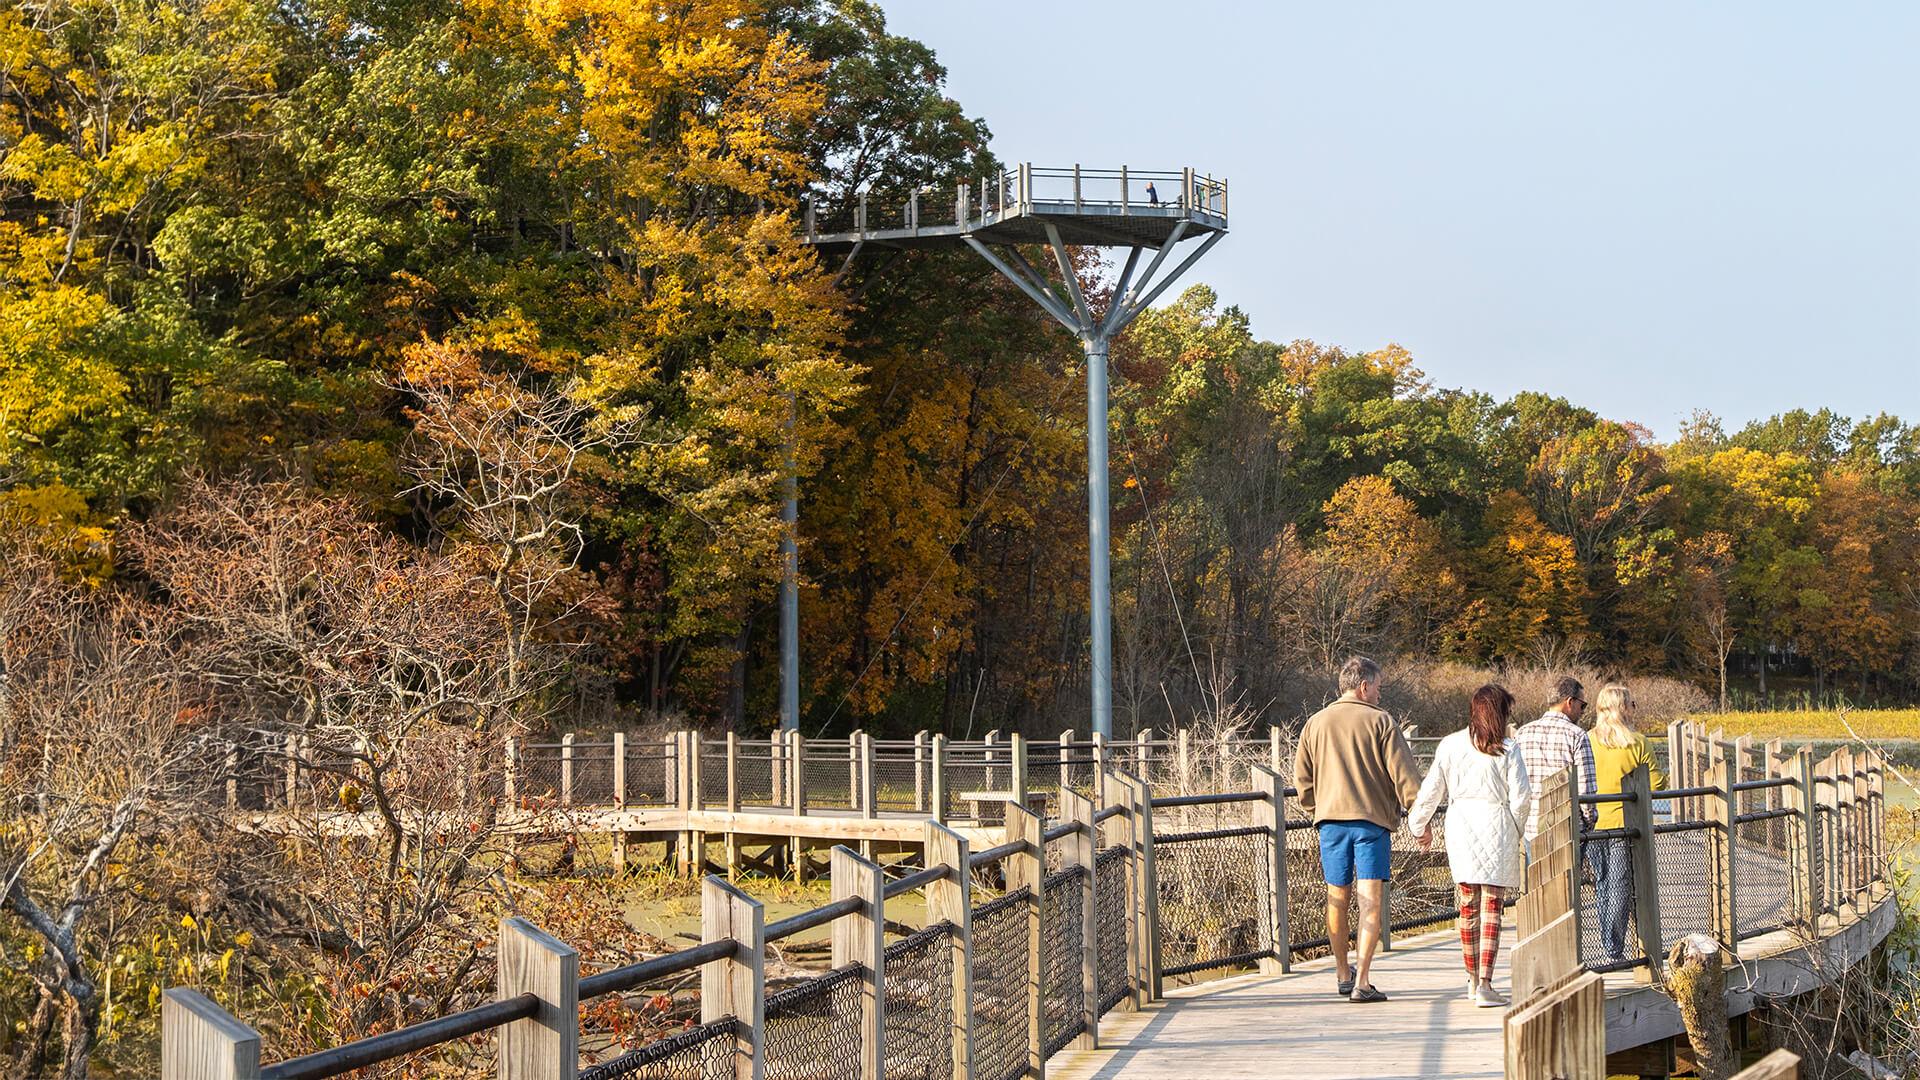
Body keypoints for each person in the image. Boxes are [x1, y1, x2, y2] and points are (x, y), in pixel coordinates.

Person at [1293, 655, 1423, 1003]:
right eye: (1378, 688)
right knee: (1371, 902)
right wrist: (1418, 816)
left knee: (1336, 898)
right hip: (1371, 824)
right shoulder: (1381, 722)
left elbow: (1302, 781)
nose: (1380, 695)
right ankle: (1363, 981)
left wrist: (1317, 810)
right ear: (1364, 686)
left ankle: (1341, 972)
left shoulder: (1315, 724)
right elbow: (1405, 777)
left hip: (1331, 824)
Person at [1409, 684, 1531, 1007]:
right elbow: (1522, 799)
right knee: (1492, 908)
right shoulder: (1508, 749)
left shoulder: (1450, 745)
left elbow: (1432, 788)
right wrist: (1516, 830)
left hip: (1460, 824)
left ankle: (1471, 977)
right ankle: (1486, 985)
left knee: (1467, 906)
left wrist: (1418, 824)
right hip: (1497, 823)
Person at [1587, 684, 1666, 962]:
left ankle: (1608, 942)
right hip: (1626, 824)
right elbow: (1656, 783)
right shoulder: (1638, 742)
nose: (1635, 709)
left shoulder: (1587, 741)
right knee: (1621, 886)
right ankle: (1613, 948)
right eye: (1632, 704)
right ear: (1623, 708)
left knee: (1604, 884)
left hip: (1594, 824)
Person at [1516, 675, 1597, 850]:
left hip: (1531, 827)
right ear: (1570, 702)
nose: (1582, 711)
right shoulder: (1577, 735)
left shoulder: (1522, 733)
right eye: (1582, 705)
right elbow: (1586, 788)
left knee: (1536, 877)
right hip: (1567, 827)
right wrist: (1589, 821)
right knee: (1570, 877)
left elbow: (1516, 783)